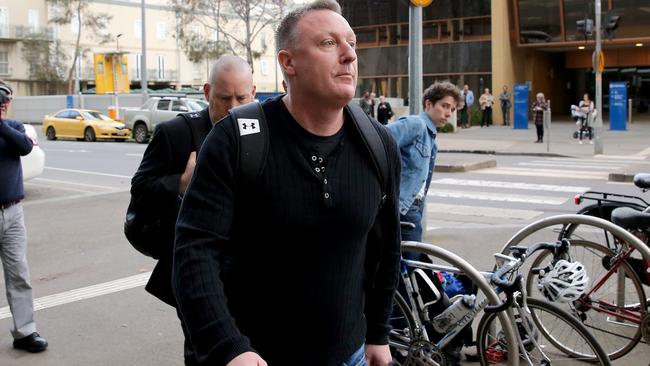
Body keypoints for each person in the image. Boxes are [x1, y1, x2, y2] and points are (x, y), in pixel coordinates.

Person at [172, 1, 401, 366]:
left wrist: (378, 334)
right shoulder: (235, 139)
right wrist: (228, 346)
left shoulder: (379, 143)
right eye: (329, 43)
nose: (348, 55)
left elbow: (387, 249)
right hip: (255, 358)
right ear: (288, 62)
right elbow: (194, 252)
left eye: (352, 43)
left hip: (351, 356)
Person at [130, 55, 256, 365]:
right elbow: (141, 188)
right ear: (207, 92)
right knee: (207, 352)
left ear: (253, 93)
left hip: (248, 272)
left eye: (241, 97)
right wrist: (180, 183)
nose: (233, 106)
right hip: (196, 271)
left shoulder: (258, 129)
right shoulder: (177, 134)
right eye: (224, 98)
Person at [0, 81, 48, 353]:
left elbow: (25, 147)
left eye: (5, 100)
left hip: (13, 213)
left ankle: (25, 332)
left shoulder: (14, 128)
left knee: (19, 273)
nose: (3, 104)